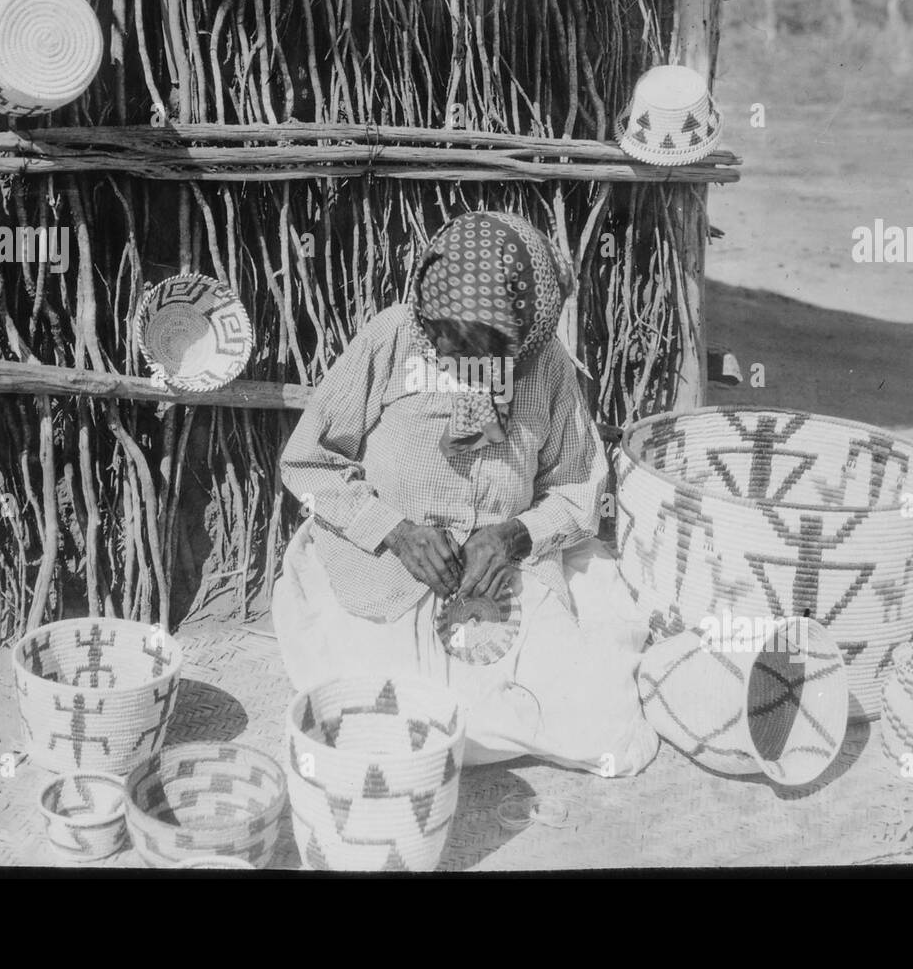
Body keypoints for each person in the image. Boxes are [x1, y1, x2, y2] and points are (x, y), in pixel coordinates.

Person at [272, 210, 658, 776]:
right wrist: (394, 531)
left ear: (524, 336)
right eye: (447, 339)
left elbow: (577, 490)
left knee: (596, 722)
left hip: (506, 571)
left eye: (484, 348)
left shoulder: (547, 367)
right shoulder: (393, 337)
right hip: (385, 571)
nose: (459, 360)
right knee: (384, 718)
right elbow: (308, 463)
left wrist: (512, 536)